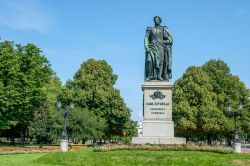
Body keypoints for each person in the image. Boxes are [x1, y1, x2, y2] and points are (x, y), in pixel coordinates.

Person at [144, 16, 173, 81]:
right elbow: (146, 38)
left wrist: (164, 41)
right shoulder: (150, 29)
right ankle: (150, 76)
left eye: (157, 19)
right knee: (149, 60)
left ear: (160, 21)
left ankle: (159, 76)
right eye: (155, 19)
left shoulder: (163, 29)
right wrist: (147, 47)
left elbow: (170, 39)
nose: (156, 20)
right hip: (152, 47)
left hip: (161, 46)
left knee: (161, 61)